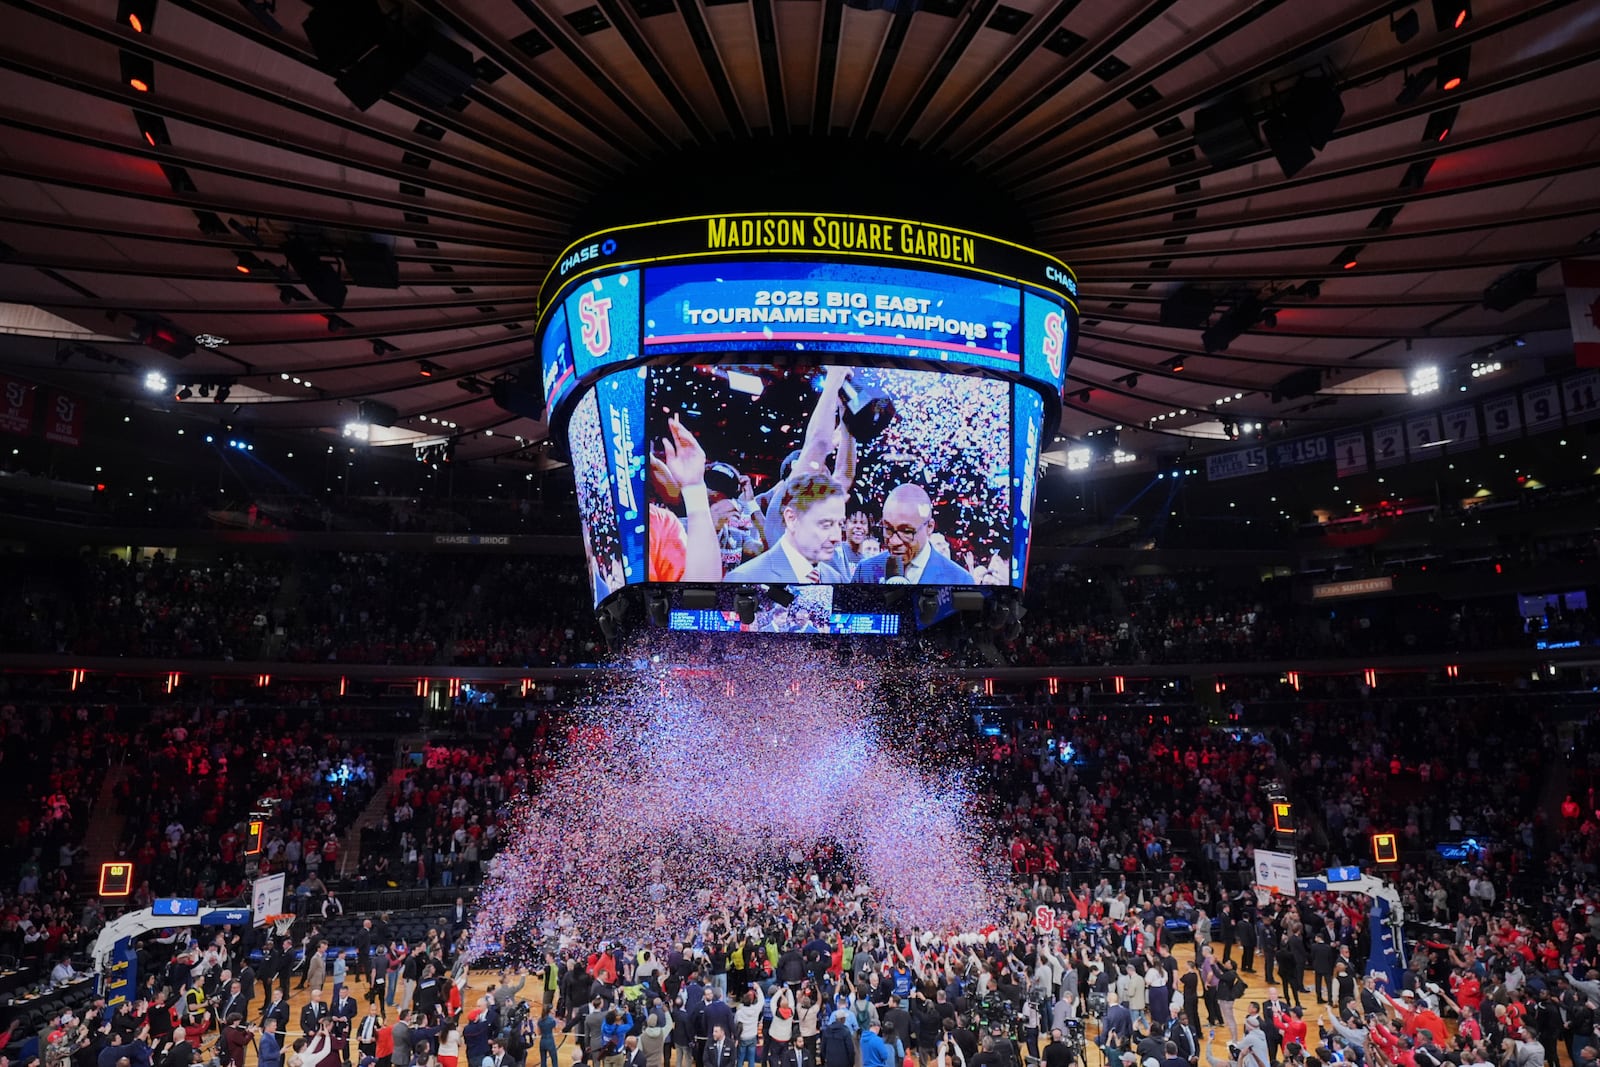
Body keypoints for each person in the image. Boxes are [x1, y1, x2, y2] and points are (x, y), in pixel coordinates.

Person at [724, 474, 849, 584]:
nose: (836, 538)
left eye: (840, 525)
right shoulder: (745, 578)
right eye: (826, 525)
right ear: (792, 519)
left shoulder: (835, 578)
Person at [852, 485, 975, 585]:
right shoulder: (865, 572)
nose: (894, 541)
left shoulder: (959, 580)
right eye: (888, 529)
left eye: (906, 531)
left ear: (929, 527)